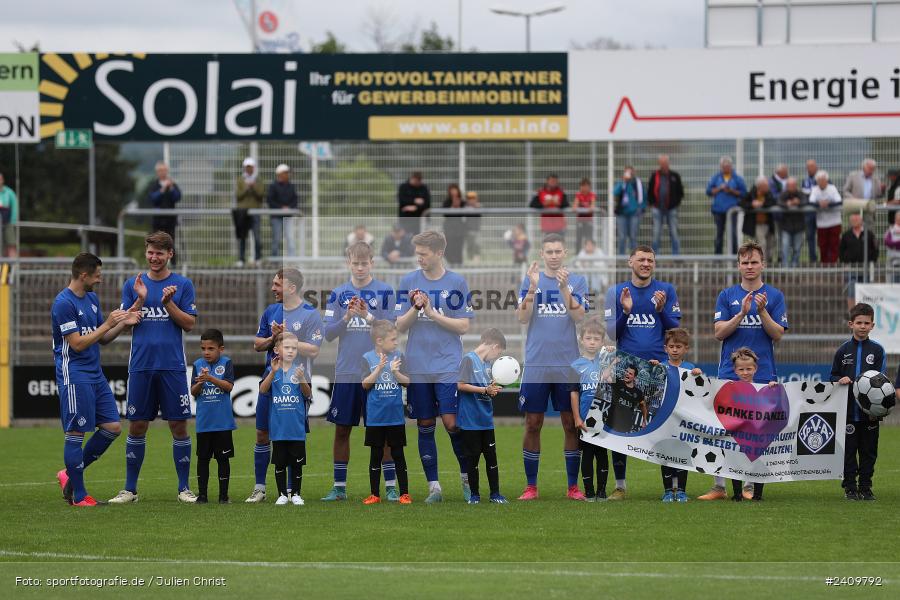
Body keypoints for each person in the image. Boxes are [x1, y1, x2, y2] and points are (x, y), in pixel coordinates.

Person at [109, 231, 199, 504]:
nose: (154, 257)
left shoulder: (182, 284)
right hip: (141, 366)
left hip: (172, 367)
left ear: (170, 254)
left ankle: (184, 488)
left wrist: (168, 303)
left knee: (178, 426)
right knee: (137, 425)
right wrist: (139, 300)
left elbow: (189, 324)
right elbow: (124, 322)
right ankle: (130, 490)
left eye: (159, 253)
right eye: (150, 252)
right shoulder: (133, 284)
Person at [701, 240, 788, 501]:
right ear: (738, 265)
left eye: (754, 262)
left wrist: (762, 312)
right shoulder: (727, 295)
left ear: (763, 264)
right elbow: (719, 333)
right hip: (730, 374)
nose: (750, 266)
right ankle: (719, 486)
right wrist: (741, 314)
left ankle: (749, 485)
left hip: (762, 375)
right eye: (745, 262)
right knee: (723, 431)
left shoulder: (774, 296)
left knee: (755, 432)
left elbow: (777, 334)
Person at [395, 230, 475, 503]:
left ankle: (467, 480)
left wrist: (431, 313)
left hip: (447, 363)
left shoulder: (457, 282)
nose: (419, 258)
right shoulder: (408, 281)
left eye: (424, 254)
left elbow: (463, 326)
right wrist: (416, 309)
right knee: (425, 422)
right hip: (418, 364)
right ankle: (434, 488)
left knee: (452, 423)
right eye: (417, 253)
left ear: (439, 253)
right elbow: (399, 325)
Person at [52, 253, 138, 506]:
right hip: (74, 374)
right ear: (83, 275)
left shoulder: (91, 299)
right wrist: (108, 323)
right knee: (76, 432)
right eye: (97, 275)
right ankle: (79, 496)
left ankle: (69, 474)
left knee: (112, 427)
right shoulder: (63, 303)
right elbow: (77, 344)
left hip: (95, 373)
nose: (100, 280)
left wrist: (123, 324)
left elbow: (103, 338)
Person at [321, 242, 397, 502]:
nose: (360, 268)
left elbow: (391, 330)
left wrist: (368, 316)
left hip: (378, 371)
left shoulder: (385, 291)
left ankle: (390, 487)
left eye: (365, 263)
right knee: (342, 429)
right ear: (349, 263)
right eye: (356, 263)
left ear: (372, 263)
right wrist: (345, 318)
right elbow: (328, 334)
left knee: (382, 431)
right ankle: (339, 488)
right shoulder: (337, 294)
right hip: (347, 372)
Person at [604, 245, 680, 499]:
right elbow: (611, 334)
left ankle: (670, 488)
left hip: (659, 369)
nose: (646, 264)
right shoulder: (616, 292)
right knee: (620, 428)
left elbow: (675, 331)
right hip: (626, 368)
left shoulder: (665, 290)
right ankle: (620, 486)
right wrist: (626, 312)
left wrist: (661, 311)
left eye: (650, 260)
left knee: (665, 428)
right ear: (630, 262)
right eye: (641, 259)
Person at [517, 233, 589, 502]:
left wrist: (564, 288)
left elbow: (579, 317)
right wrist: (532, 289)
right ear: (542, 254)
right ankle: (531, 487)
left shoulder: (577, 281)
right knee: (533, 423)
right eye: (550, 251)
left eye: (558, 251)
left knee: (570, 424)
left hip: (568, 365)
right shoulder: (531, 279)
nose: (554, 256)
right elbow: (522, 317)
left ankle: (572, 487)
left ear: (565, 252)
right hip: (537, 363)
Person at [245, 268, 323, 503]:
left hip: (297, 383)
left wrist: (287, 337)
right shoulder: (271, 311)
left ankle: (291, 491)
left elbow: (314, 349)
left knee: (291, 436)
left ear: (291, 288)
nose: (273, 288)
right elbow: (257, 345)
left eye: (277, 285)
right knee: (262, 433)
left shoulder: (310, 314)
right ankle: (260, 488)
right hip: (272, 380)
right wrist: (273, 338)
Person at [830, 302, 886, 502]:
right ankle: (850, 487)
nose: (862, 326)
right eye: (859, 322)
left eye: (866, 323)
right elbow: (832, 376)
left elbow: (882, 381)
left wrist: (876, 410)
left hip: (870, 414)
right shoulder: (842, 350)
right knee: (848, 452)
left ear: (872, 325)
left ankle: (866, 486)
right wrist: (840, 379)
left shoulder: (877, 351)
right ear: (851, 324)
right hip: (848, 412)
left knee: (868, 452)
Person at [360, 320, 412, 505]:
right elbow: (365, 384)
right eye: (393, 339)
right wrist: (379, 369)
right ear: (379, 341)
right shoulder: (367, 358)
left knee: (398, 454)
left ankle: (404, 494)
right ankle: (374, 494)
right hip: (375, 418)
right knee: (376, 455)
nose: (396, 342)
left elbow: (407, 382)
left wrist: (396, 372)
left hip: (395, 417)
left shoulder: (399, 356)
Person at [259, 332, 312, 506]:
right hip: (278, 427)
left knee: (297, 464)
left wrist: (302, 379)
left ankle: (296, 493)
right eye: (286, 347)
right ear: (276, 350)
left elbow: (308, 394)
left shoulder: (300, 370)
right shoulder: (271, 370)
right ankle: (282, 494)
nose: (290, 351)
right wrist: (273, 373)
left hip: (296, 427)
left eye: (294, 348)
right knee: (280, 463)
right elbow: (262, 390)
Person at [457, 328, 508, 505]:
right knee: (472, 460)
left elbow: (486, 388)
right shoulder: (469, 360)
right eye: (498, 352)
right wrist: (484, 389)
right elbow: (460, 385)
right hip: (470, 421)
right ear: (494, 346)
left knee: (491, 458)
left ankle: (495, 494)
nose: (497, 356)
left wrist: (491, 389)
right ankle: (474, 495)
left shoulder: (487, 365)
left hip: (486, 420)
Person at [190, 329, 236, 504]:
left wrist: (210, 378)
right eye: (203, 348)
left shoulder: (227, 363)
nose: (206, 352)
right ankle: (202, 495)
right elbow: (193, 391)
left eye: (211, 348)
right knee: (203, 459)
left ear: (220, 349)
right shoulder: (197, 364)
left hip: (222, 423)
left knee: (223, 460)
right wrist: (200, 382)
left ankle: (224, 496)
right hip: (204, 423)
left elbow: (228, 386)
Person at [570, 317, 613, 501]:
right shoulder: (575, 366)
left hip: (603, 417)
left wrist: (611, 355)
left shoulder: (607, 361)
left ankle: (602, 491)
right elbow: (574, 393)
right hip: (585, 419)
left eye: (596, 339)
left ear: (602, 341)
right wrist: (577, 418)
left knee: (602, 454)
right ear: (581, 340)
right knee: (587, 455)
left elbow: (617, 376)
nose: (592, 342)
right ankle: (589, 491)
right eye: (588, 338)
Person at [653, 327, 698, 503]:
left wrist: (698, 375)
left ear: (686, 348)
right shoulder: (661, 367)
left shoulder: (690, 368)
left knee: (682, 453)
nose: (674, 350)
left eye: (678, 347)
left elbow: (698, 391)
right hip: (665, 419)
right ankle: (667, 491)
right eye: (671, 346)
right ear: (666, 348)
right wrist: (652, 370)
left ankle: (681, 491)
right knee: (665, 453)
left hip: (683, 419)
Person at [726, 347, 777, 501]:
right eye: (741, 369)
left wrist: (773, 388)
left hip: (758, 434)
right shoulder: (730, 388)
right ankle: (737, 494)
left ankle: (758, 495)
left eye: (749, 369)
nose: (745, 372)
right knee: (736, 461)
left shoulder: (764, 389)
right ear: (735, 370)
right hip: (738, 433)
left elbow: (773, 405)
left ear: (755, 369)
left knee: (759, 462)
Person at [706, 156, 747, 255]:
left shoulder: (737, 178)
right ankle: (718, 258)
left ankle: (734, 257)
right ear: (721, 167)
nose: (726, 168)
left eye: (728, 166)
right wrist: (719, 188)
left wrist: (731, 191)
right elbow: (708, 191)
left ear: (731, 166)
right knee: (719, 234)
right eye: (723, 166)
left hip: (732, 210)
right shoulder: (715, 178)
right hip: (718, 211)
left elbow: (744, 193)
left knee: (733, 234)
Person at [839, 213, 879, 310]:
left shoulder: (869, 234)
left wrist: (871, 259)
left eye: (856, 218)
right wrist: (847, 259)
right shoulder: (846, 235)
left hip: (866, 269)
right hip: (852, 269)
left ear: (861, 220)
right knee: (851, 292)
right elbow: (841, 252)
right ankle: (852, 315)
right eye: (853, 219)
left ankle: (866, 314)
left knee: (866, 292)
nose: (854, 220)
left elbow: (875, 249)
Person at [647, 155, 684, 255]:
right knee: (656, 234)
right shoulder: (654, 176)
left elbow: (680, 192)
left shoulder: (675, 176)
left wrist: (675, 203)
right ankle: (655, 256)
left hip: (671, 209)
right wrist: (652, 203)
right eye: (661, 163)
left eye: (665, 162)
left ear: (668, 163)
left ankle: (676, 256)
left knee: (674, 233)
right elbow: (650, 191)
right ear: (659, 163)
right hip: (657, 209)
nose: (663, 165)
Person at [233, 157, 264, 267]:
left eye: (251, 167)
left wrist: (253, 187)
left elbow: (261, 195)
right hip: (243, 211)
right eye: (247, 167)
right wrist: (246, 188)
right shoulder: (240, 180)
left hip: (255, 211)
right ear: (244, 168)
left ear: (254, 168)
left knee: (257, 236)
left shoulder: (258, 180)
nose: (249, 169)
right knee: (242, 236)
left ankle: (258, 258)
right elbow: (238, 195)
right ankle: (241, 259)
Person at [147, 162, 181, 259]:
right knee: (156, 244)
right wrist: (162, 190)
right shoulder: (154, 185)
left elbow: (177, 197)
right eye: (160, 170)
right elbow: (153, 198)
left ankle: (173, 264)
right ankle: (156, 262)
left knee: (171, 244)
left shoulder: (173, 184)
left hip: (170, 221)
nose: (162, 172)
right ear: (157, 172)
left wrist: (171, 188)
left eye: (164, 170)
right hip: (157, 221)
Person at [809, 170, 843, 264]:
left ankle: (833, 264)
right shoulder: (815, 189)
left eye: (823, 180)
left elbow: (839, 201)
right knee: (823, 245)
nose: (821, 182)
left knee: (834, 245)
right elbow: (811, 202)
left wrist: (828, 204)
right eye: (819, 180)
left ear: (827, 180)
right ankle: (824, 265)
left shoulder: (832, 188)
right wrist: (819, 204)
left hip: (834, 222)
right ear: (817, 181)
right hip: (821, 223)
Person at [739, 176, 776, 261]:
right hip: (757, 224)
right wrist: (752, 204)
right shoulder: (751, 193)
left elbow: (773, 202)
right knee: (761, 244)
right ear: (760, 186)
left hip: (768, 224)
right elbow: (742, 203)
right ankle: (762, 264)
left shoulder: (769, 194)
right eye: (766, 186)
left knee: (771, 244)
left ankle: (768, 262)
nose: (768, 187)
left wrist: (762, 204)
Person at [267, 164, 299, 257]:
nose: (288, 174)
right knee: (276, 238)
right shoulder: (273, 186)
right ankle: (275, 260)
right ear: (280, 174)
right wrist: (281, 207)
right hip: (276, 216)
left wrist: (289, 208)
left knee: (290, 238)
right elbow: (270, 201)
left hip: (288, 216)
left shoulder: (291, 186)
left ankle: (292, 260)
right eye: (286, 172)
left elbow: (295, 200)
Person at [613, 166, 645, 255]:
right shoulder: (621, 183)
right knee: (622, 236)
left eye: (630, 173)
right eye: (627, 172)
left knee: (633, 236)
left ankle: (634, 257)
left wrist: (640, 209)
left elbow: (643, 197)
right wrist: (624, 182)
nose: (629, 175)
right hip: (621, 213)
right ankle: (621, 257)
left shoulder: (636, 184)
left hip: (634, 213)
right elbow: (615, 192)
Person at [777, 177, 807, 268]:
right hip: (786, 226)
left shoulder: (801, 194)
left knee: (797, 248)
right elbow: (779, 202)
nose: (791, 187)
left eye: (793, 186)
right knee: (785, 247)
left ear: (796, 185)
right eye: (790, 186)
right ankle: (785, 266)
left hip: (799, 226)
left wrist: (798, 203)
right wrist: (787, 204)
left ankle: (794, 265)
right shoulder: (783, 194)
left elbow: (805, 201)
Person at [530, 174, 569, 241]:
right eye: (551, 181)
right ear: (547, 181)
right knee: (547, 245)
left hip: (559, 226)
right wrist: (544, 204)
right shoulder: (541, 191)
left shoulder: (561, 191)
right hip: (546, 226)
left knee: (559, 245)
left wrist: (558, 204)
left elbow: (566, 204)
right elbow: (532, 204)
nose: (553, 183)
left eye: (555, 181)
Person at [800, 159, 820, 262]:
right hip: (809, 214)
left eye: (812, 167)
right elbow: (804, 196)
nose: (809, 169)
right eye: (808, 167)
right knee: (810, 236)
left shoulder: (822, 179)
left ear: (816, 167)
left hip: (821, 213)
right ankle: (813, 259)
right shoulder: (805, 181)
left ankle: (825, 261)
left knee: (822, 237)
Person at [442, 184, 467, 266]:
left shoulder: (463, 202)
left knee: (459, 245)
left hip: (459, 227)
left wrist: (459, 207)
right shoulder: (446, 202)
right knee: (449, 246)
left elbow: (466, 213)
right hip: (449, 227)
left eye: (455, 190)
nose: (453, 192)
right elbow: (445, 214)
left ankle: (459, 263)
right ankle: (451, 262)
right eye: (452, 190)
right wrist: (453, 206)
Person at [573, 178, 596, 253]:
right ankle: (578, 255)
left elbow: (592, 206)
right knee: (578, 239)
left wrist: (586, 208)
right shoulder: (578, 195)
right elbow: (574, 207)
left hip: (589, 220)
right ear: (580, 187)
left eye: (587, 186)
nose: (585, 188)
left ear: (589, 187)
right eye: (583, 186)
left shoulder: (592, 195)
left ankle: (589, 255)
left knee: (589, 239)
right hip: (580, 220)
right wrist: (585, 209)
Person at [0, 172, 18, 257]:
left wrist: (13, 222)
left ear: (3, 180)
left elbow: (14, 207)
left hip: (8, 223)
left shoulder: (9, 192)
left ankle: (14, 264)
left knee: (11, 244)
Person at [464, 190, 482, 264]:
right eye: (469, 198)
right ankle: (470, 259)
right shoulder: (465, 208)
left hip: (476, 230)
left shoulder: (479, 207)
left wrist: (476, 207)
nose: (471, 200)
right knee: (469, 246)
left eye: (473, 198)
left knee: (477, 245)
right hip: (468, 231)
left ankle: (477, 260)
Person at [884, 210, 900, 283]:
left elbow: (892, 244)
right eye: (898, 218)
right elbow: (888, 243)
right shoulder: (890, 230)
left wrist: (895, 245)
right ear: (895, 219)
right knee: (895, 283)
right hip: (894, 262)